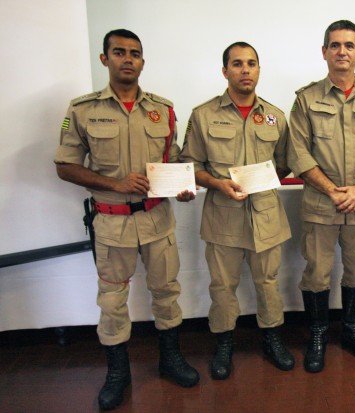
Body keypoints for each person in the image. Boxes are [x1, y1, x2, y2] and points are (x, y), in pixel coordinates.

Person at [54, 29, 199, 410]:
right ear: (105, 59)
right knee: (112, 301)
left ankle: (170, 359)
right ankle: (118, 372)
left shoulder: (162, 109)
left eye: (135, 53)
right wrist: (115, 184)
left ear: (142, 61)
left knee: (167, 292)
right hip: (112, 222)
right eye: (119, 52)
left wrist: (182, 186)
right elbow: (65, 166)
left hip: (156, 219)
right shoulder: (83, 110)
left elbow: (173, 160)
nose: (128, 59)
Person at [179, 42, 294, 380]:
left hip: (266, 214)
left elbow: (285, 162)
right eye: (238, 64)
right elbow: (191, 164)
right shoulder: (204, 115)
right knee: (222, 286)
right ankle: (224, 343)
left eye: (252, 63)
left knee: (268, 283)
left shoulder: (276, 116)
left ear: (259, 69)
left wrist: (262, 181)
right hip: (223, 214)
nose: (245, 70)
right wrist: (217, 183)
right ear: (225, 71)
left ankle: (272, 339)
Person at [287, 20, 355, 373]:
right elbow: (298, 154)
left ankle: (351, 330)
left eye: (349, 45)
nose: (342, 51)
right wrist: (332, 190)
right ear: (324, 52)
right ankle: (318, 335)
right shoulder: (306, 99)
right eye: (335, 45)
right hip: (321, 204)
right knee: (316, 273)